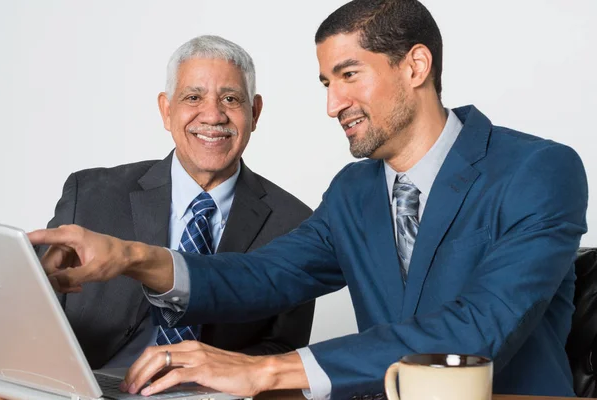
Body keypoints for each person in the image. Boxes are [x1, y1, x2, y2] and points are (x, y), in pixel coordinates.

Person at [31, 0, 588, 399]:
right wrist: (131, 258)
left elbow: (477, 330)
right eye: (326, 83)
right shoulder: (354, 191)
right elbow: (263, 276)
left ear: (415, 66)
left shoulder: (537, 171)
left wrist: (267, 371)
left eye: (349, 75)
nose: (333, 104)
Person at [36, 35, 315, 370]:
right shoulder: (92, 194)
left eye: (230, 99)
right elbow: (33, 309)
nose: (213, 116)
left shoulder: (295, 222)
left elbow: (285, 348)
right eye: (193, 97)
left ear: (254, 113)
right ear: (166, 110)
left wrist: (214, 369)